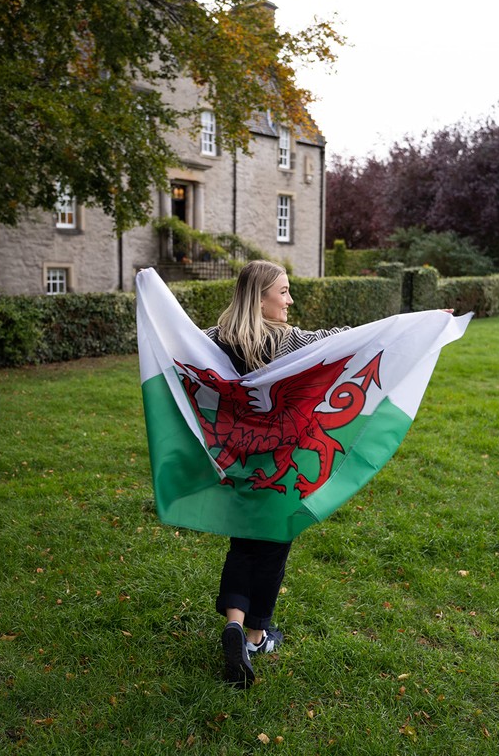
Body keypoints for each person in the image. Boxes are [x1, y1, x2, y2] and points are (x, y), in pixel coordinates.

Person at [202, 260, 351, 688]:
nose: (290, 300)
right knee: (273, 547)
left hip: (235, 462)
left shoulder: (212, 341)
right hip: (280, 464)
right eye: (283, 291)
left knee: (243, 542)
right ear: (259, 297)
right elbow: (344, 339)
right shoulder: (288, 341)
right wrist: (417, 324)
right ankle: (255, 636)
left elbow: (176, 348)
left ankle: (234, 623)